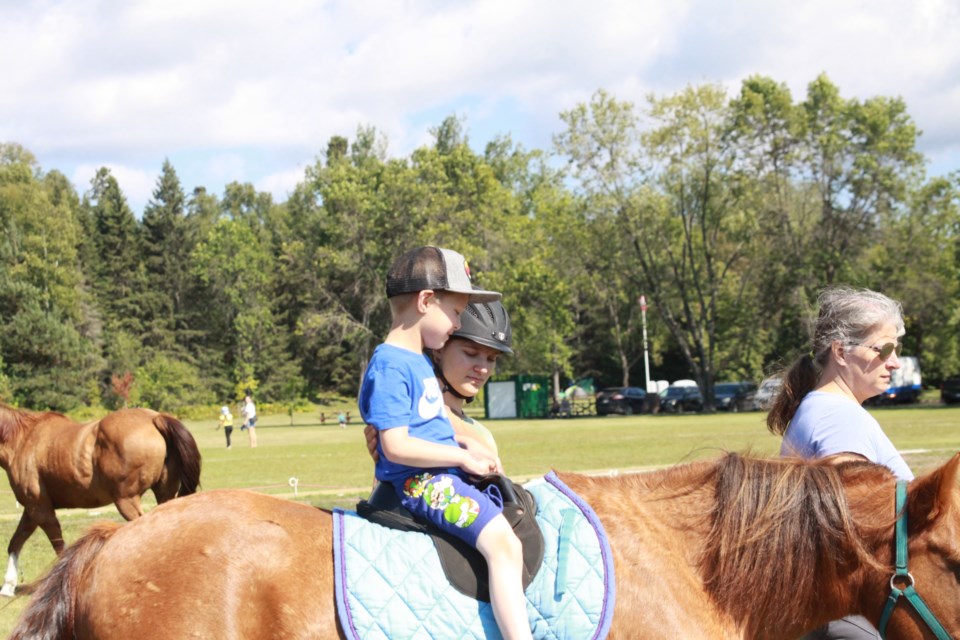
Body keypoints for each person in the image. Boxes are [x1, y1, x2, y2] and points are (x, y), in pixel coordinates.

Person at [358, 245, 531, 640]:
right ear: (425, 301)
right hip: (426, 483)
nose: (457, 322)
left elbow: (429, 426)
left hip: (439, 475)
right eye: (454, 312)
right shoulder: (390, 365)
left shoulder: (416, 360)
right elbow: (397, 446)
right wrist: (460, 457)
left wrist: (466, 446)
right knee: (503, 546)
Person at [767, 286, 913, 640]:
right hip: (853, 614)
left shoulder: (827, 410)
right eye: (885, 349)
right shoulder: (837, 419)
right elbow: (855, 529)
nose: (894, 361)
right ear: (841, 351)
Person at [365, 298, 513, 468]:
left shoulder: (479, 432)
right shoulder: (418, 421)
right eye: (470, 353)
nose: (483, 369)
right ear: (438, 350)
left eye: (491, 359)